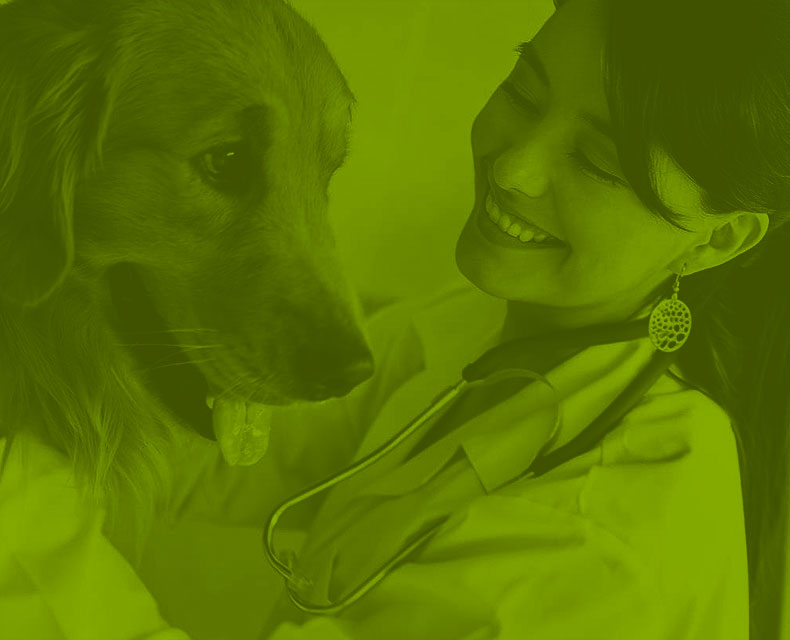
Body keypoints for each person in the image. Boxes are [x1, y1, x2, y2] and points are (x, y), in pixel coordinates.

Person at [249, 0, 790, 638]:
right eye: (523, 93)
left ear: (719, 238)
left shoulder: (598, 545)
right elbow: (253, 448)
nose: (512, 168)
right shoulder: (490, 326)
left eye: (597, 162)